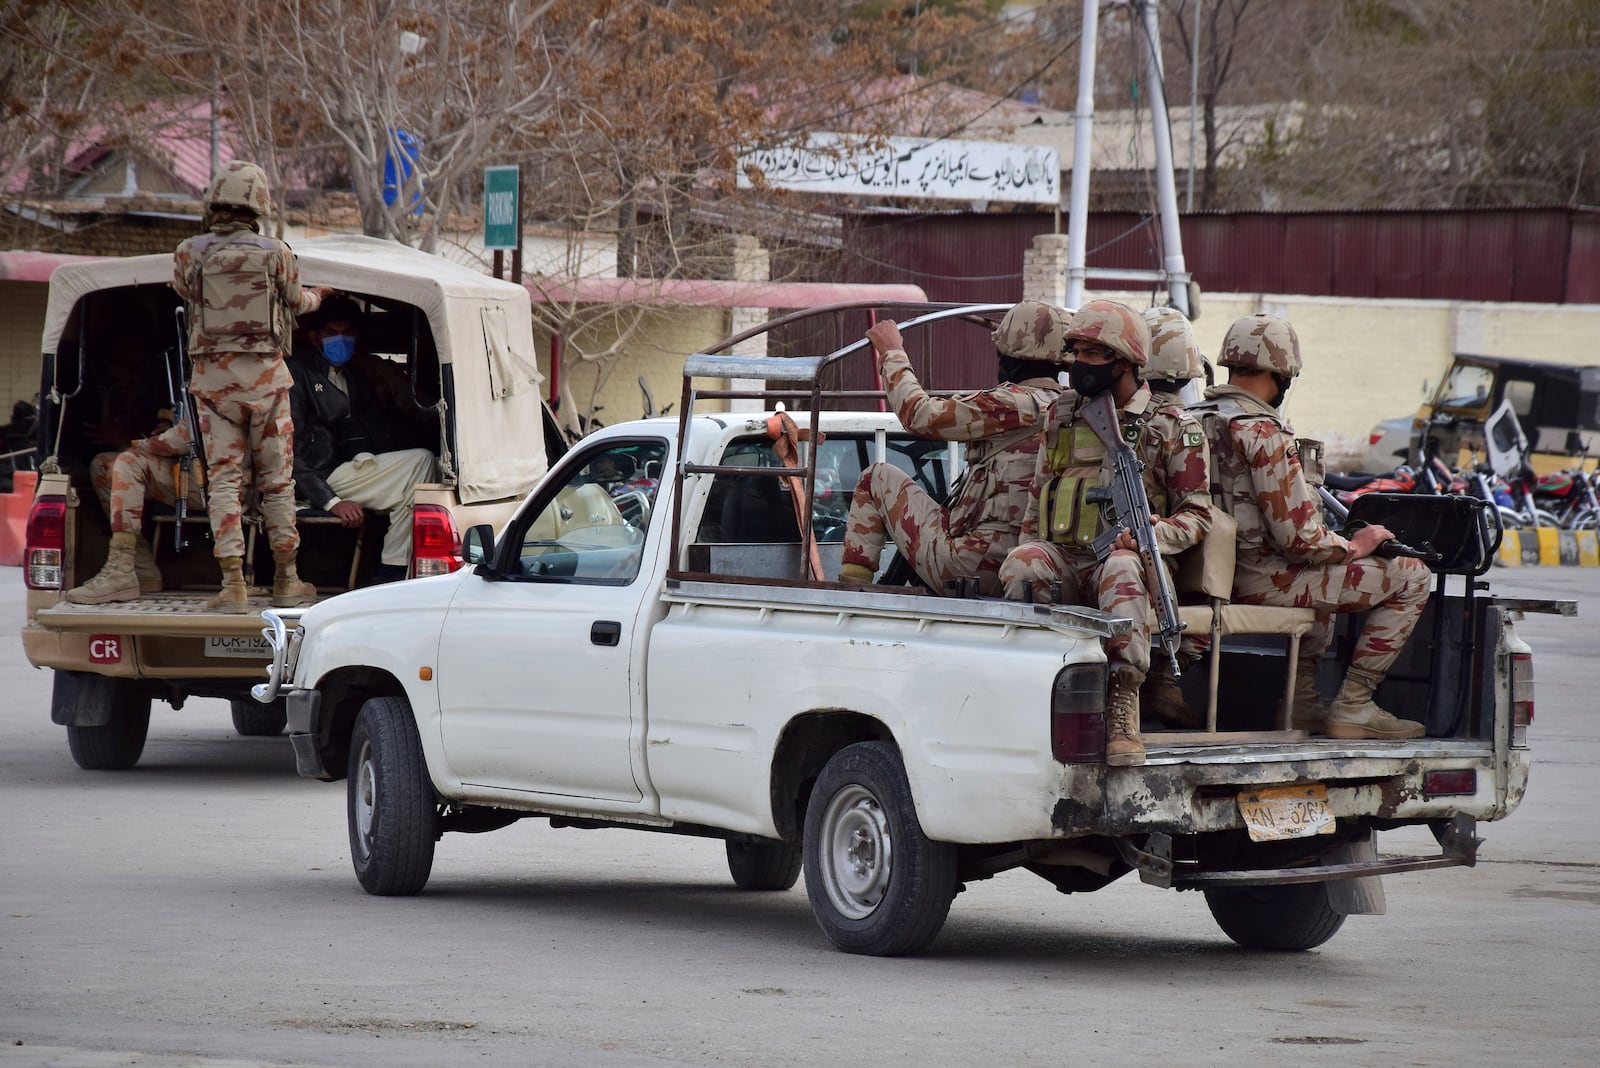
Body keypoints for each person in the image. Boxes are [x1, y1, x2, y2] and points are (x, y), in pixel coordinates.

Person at [1193, 313, 1431, 740]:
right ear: (1281, 373)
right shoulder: (1261, 430)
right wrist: (1357, 545)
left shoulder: (1189, 418)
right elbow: (1301, 539)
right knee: (1412, 576)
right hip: (1256, 579)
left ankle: (1302, 704)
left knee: (1322, 579)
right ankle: (1354, 704)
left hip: (1203, 578)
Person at [999, 300, 1212, 766]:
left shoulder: (1171, 426)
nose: (1081, 365)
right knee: (1023, 560)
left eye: (1094, 355)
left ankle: (1122, 705)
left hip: (1130, 563)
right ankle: (1035, 692)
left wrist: (1155, 533)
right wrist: (1028, 544)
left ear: (1127, 361)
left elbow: (1199, 515)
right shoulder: (1061, 415)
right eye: (1076, 353)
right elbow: (1038, 502)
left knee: (1120, 566)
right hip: (1068, 557)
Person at [172, 159, 329, 613]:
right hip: (267, 385)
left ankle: (232, 586)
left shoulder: (189, 251)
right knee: (278, 485)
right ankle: (287, 579)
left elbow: (183, 292)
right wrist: (323, 296)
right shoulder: (276, 252)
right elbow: (298, 303)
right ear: (258, 203)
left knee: (223, 483)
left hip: (214, 387)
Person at [835, 300, 1070, 595]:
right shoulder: (1069, 409)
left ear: (1010, 355)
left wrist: (892, 352)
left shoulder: (1010, 403)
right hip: (1042, 567)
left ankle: (852, 598)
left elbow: (918, 414)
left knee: (876, 478)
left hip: (975, 566)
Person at [287, 295, 438, 583]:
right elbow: (287, 452)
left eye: (346, 334)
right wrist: (331, 501)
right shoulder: (297, 374)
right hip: (314, 478)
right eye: (331, 333)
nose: (339, 340)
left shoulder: (353, 377)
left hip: (344, 467)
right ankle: (390, 577)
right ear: (314, 337)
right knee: (420, 463)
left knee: (420, 475)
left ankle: (391, 572)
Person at [66, 418, 204, 604]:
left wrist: (135, 443)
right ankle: (140, 568)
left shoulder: (219, 389)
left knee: (129, 461)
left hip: (227, 481)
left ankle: (121, 572)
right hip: (197, 474)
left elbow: (182, 439)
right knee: (105, 464)